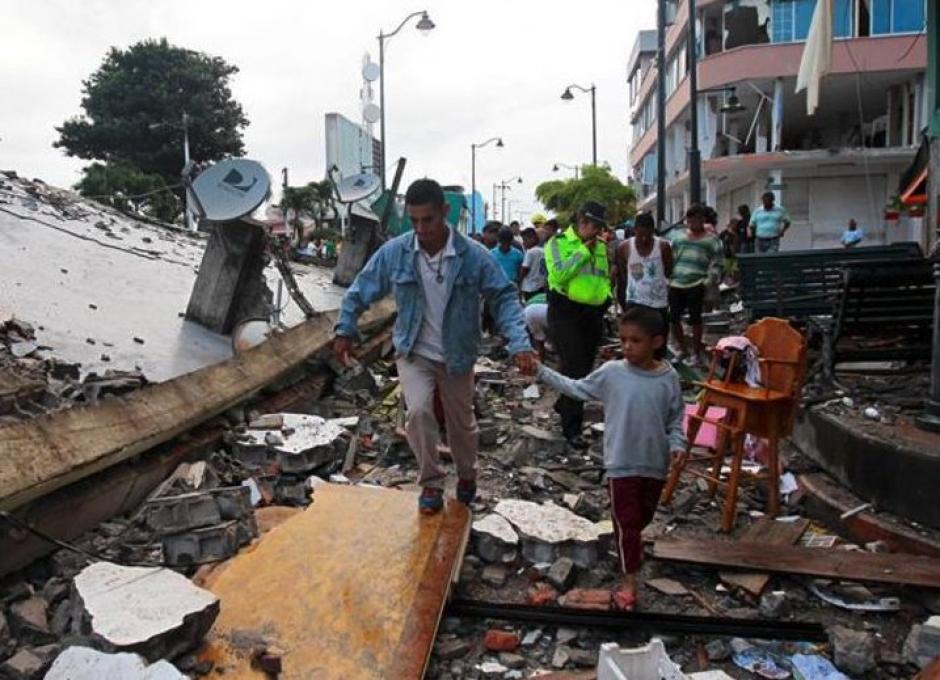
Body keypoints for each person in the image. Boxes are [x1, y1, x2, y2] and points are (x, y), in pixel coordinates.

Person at [333, 179, 537, 514]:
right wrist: (345, 328)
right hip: (414, 351)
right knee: (418, 413)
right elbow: (361, 288)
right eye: (413, 221)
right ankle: (430, 483)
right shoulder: (395, 252)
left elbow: (503, 297)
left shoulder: (473, 256)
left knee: (461, 424)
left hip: (457, 354)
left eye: (428, 220)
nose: (421, 228)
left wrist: (520, 344)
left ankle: (468, 475)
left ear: (445, 212)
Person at [535, 306, 686, 610]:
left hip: (654, 465)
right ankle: (629, 582)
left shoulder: (669, 378)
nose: (627, 347)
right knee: (628, 523)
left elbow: (675, 418)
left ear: (656, 342)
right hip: (620, 464)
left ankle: (627, 553)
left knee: (638, 521)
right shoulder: (612, 373)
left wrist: (678, 444)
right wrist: (541, 371)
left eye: (636, 340)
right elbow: (576, 388)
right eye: (624, 340)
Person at [545, 201, 612, 449]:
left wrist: (607, 299)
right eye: (595, 226)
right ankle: (571, 428)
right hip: (565, 312)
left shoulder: (601, 246)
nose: (598, 232)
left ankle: (565, 404)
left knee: (584, 370)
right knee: (573, 369)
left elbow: (603, 276)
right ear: (582, 222)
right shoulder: (558, 243)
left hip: (593, 313)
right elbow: (560, 274)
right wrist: (584, 250)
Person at [668, 203, 722, 364]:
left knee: (695, 319)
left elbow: (718, 262)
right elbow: (670, 257)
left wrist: (708, 281)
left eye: (695, 219)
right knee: (673, 318)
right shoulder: (677, 237)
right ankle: (683, 350)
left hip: (696, 282)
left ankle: (696, 353)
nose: (692, 223)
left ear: (702, 219)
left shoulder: (711, 240)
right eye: (689, 220)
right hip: (676, 283)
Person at [616, 212, 672, 337]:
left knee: (658, 341)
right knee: (638, 339)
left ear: (653, 231)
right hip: (635, 302)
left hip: (658, 303)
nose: (644, 239)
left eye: (648, 235)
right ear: (635, 230)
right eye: (640, 235)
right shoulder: (624, 247)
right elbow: (623, 276)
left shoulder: (663, 246)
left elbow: (668, 271)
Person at [519, 226, 547, 300]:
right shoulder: (543, 251)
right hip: (541, 285)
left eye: (525, 240)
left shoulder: (530, 252)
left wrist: (519, 281)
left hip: (529, 287)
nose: (523, 243)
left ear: (533, 239)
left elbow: (524, 269)